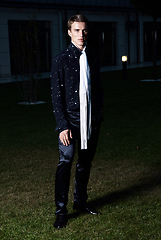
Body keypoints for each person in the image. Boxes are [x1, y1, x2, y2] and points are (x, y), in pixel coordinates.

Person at [51, 14, 103, 229]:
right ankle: (60, 211)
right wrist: (62, 125)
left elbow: (97, 90)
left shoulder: (92, 56)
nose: (81, 34)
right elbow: (56, 96)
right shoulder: (61, 59)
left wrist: (98, 116)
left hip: (91, 121)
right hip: (70, 122)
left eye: (84, 30)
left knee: (85, 164)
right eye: (77, 30)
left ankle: (80, 202)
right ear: (69, 32)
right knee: (66, 162)